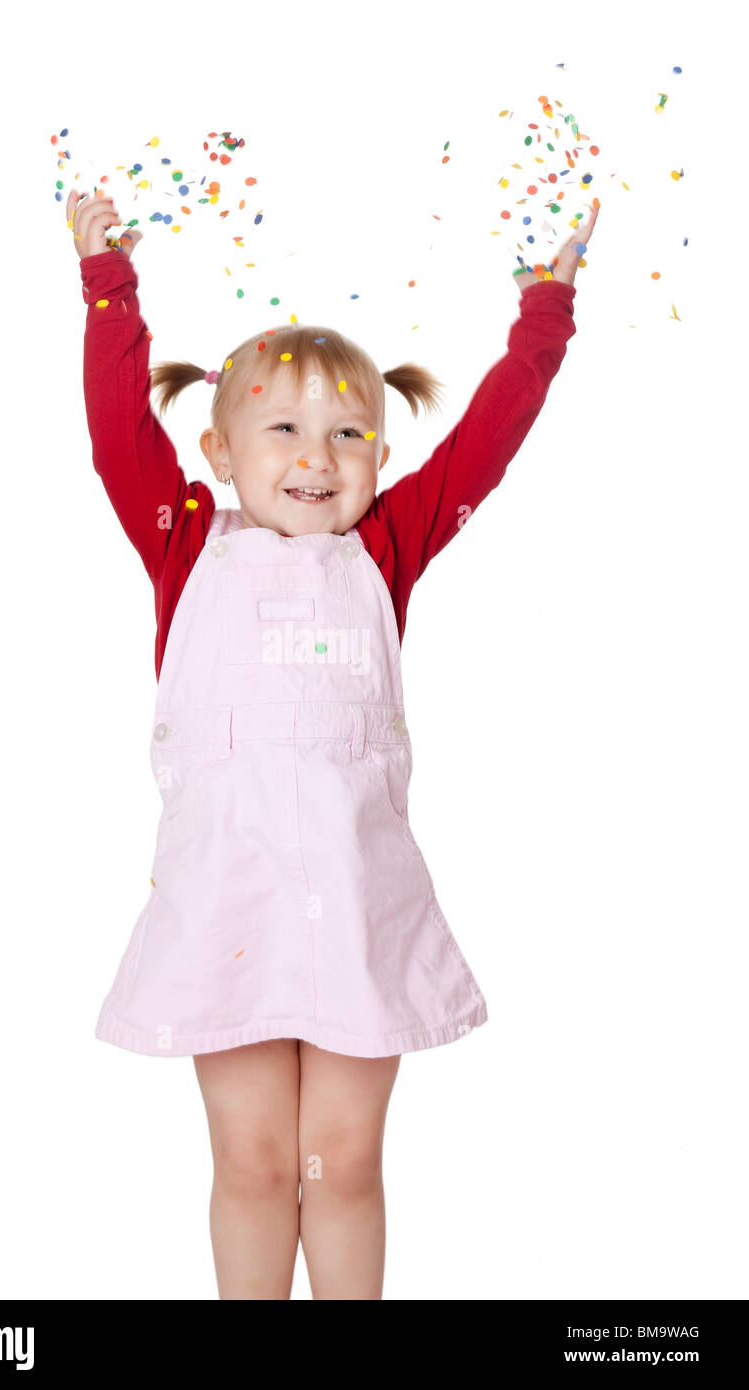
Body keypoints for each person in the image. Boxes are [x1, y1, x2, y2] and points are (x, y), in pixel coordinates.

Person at [66, 185, 599, 1299]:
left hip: (357, 909)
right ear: (216, 447)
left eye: (349, 433)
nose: (318, 458)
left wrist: (544, 312)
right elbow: (118, 431)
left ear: (379, 451)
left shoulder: (387, 547)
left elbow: (488, 441)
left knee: (343, 1163)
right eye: (284, 429)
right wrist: (110, 290)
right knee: (257, 1165)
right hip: (230, 905)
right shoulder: (180, 547)